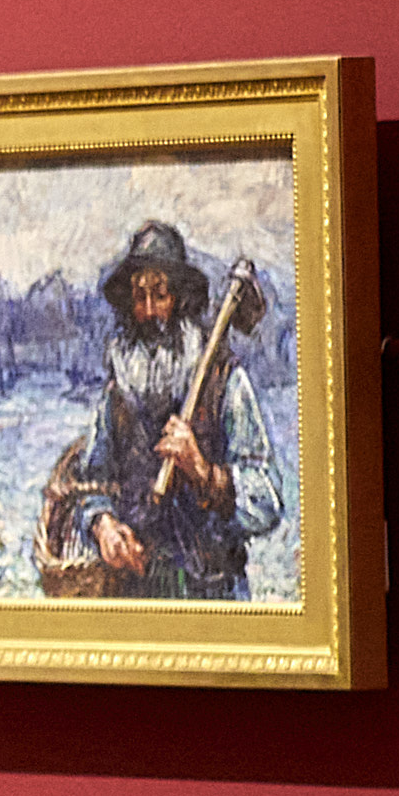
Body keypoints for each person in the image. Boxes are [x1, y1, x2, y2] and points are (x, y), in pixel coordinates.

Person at [35, 221, 282, 601]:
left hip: (213, 596)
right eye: (139, 297)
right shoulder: (118, 394)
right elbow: (89, 485)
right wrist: (103, 525)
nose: (149, 312)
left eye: (160, 295)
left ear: (180, 300)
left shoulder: (224, 382)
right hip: (135, 592)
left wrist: (203, 473)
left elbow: (268, 501)